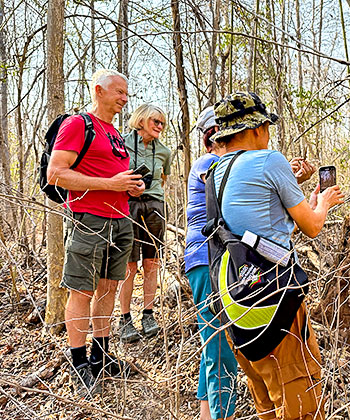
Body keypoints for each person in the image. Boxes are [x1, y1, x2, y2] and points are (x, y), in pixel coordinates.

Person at [209, 92, 344, 420]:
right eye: (266, 126)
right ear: (256, 129)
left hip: (235, 301)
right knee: (300, 399)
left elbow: (261, 231)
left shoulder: (217, 171)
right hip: (275, 298)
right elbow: (311, 227)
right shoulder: (270, 160)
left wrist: (301, 198)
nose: (268, 133)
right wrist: (323, 203)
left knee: (267, 401)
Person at [47, 69, 145, 398]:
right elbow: (57, 174)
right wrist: (110, 184)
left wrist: (131, 186)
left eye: (126, 93)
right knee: (82, 293)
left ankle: (100, 356)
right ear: (99, 91)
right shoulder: (77, 125)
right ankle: (78, 363)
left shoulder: (115, 133)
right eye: (119, 92)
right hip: (87, 219)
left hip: (121, 220)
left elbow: (115, 176)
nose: (125, 98)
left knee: (108, 289)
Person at [185, 106, 238, 420]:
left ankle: (206, 415)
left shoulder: (217, 163)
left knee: (213, 343)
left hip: (211, 260)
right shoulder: (209, 163)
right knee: (220, 348)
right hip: (207, 259)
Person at [118, 104, 172, 343]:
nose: (159, 126)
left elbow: (163, 179)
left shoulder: (164, 151)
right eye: (155, 121)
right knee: (129, 265)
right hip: (127, 204)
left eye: (162, 123)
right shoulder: (121, 142)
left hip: (155, 205)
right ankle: (125, 318)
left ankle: (148, 314)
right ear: (141, 120)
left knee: (152, 262)